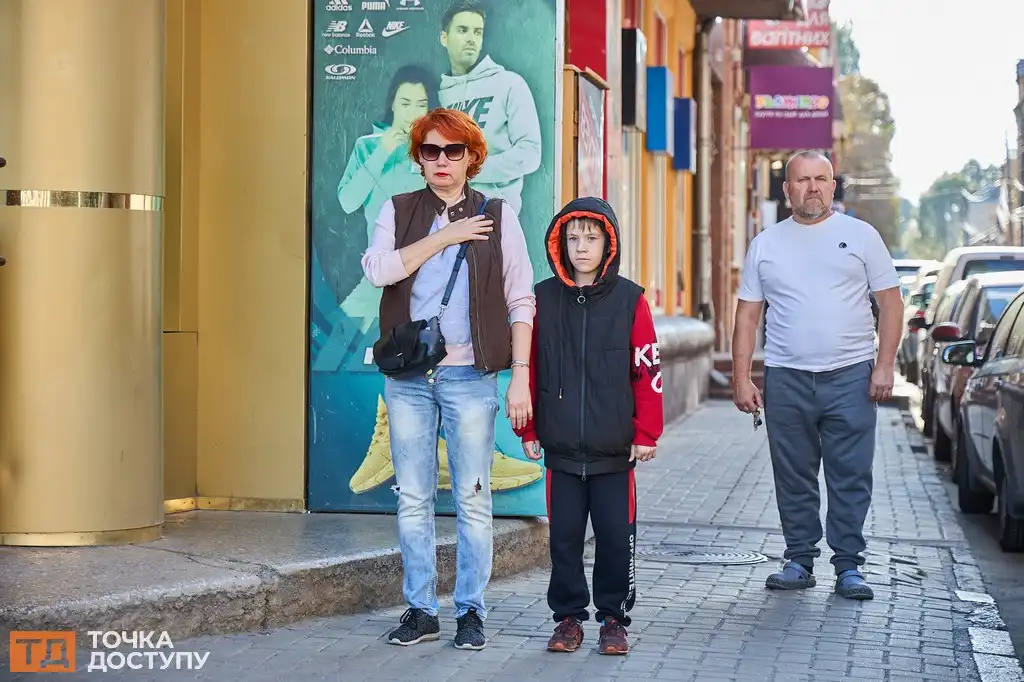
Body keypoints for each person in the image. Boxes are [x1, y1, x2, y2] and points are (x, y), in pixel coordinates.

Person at [361, 108, 536, 650]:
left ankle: (470, 611)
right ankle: (421, 609)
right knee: (413, 497)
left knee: (473, 498)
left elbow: (520, 299)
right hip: (410, 379)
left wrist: (521, 375)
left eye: (452, 150)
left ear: (471, 158)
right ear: (419, 158)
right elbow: (378, 270)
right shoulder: (398, 209)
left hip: (470, 378)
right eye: (430, 150)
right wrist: (446, 236)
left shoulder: (498, 215)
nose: (441, 160)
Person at [732, 151, 903, 601]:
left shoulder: (861, 236)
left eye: (821, 179)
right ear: (786, 189)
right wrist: (741, 377)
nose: (812, 187)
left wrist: (884, 365)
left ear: (833, 185)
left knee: (851, 474)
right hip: (787, 378)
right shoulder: (766, 244)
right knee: (793, 475)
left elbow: (891, 304)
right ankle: (799, 560)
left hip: (851, 377)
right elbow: (747, 316)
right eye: (802, 180)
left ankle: (849, 566)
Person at [513, 197, 664, 655]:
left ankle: (614, 619)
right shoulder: (542, 299)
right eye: (573, 238)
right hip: (561, 448)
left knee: (616, 537)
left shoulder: (630, 300)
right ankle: (568, 619)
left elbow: (647, 371)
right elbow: (531, 367)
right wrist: (529, 429)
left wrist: (646, 432)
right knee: (564, 539)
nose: (581, 247)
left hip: (614, 450)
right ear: (559, 243)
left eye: (591, 238)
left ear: (608, 244)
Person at [336, 64, 440, 330]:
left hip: (427, 279)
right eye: (405, 103)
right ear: (392, 103)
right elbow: (348, 201)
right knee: (342, 341)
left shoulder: (437, 152)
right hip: (377, 276)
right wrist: (383, 149)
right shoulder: (367, 145)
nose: (413, 113)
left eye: (421, 105)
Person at [437, 0, 541, 215]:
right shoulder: (438, 95)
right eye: (463, 30)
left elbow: (530, 153)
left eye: (477, 32)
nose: (471, 39)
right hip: (444, 220)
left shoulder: (509, 83)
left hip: (494, 216)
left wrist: (471, 170)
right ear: (444, 38)